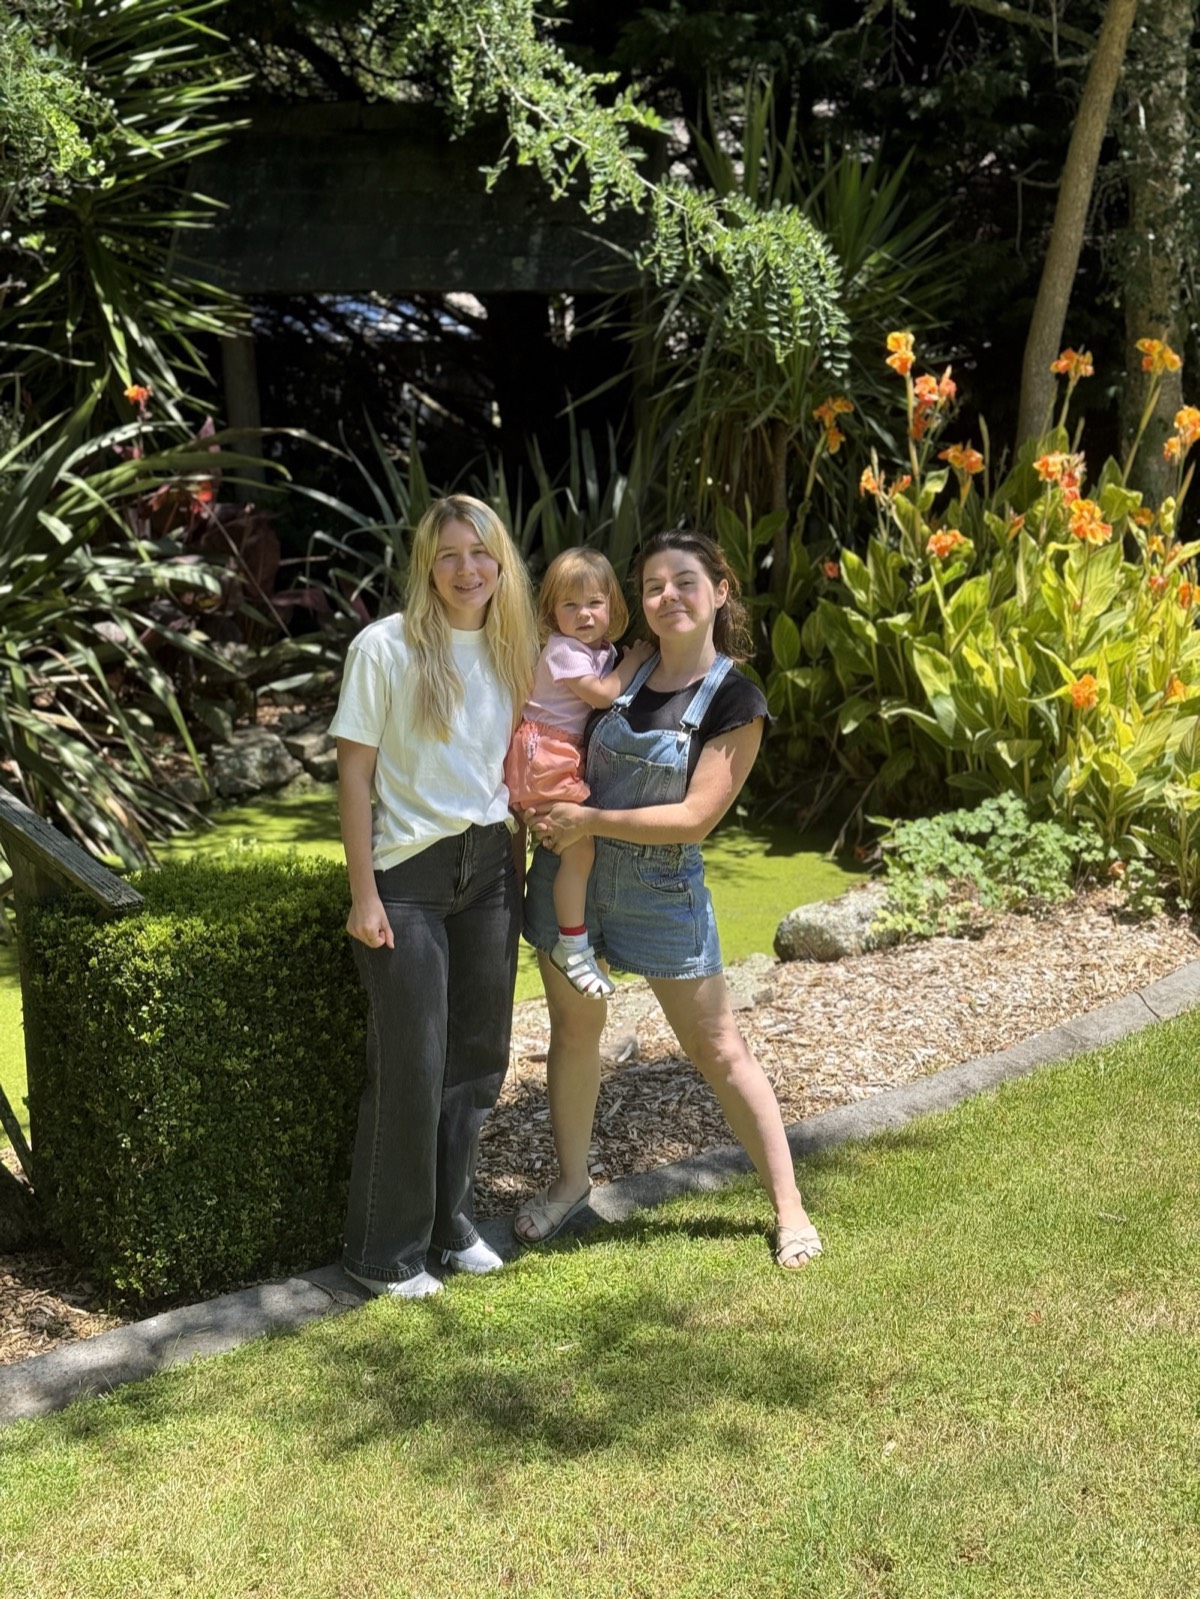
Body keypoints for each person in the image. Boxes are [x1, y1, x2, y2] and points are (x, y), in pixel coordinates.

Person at [514, 529, 822, 1270]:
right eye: (654, 586)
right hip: (571, 882)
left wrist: (587, 819)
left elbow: (694, 817)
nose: (669, 596)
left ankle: (790, 1207)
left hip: (660, 894)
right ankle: (569, 1184)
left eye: (685, 581)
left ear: (720, 590)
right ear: (639, 604)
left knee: (718, 1048)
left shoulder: (735, 699)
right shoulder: (621, 664)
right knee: (575, 1033)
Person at [329, 493, 539, 1298]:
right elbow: (354, 773)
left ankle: (452, 1228)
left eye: (480, 553)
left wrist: (515, 880)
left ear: (499, 562)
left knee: (476, 1060)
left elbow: (508, 776)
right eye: (449, 554)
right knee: (412, 1066)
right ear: (427, 563)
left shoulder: (509, 648)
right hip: (407, 880)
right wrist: (364, 894)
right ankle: (386, 1255)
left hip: (488, 872)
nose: (466, 569)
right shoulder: (383, 649)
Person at [503, 548, 654, 1000]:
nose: (583, 614)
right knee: (579, 849)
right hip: (545, 754)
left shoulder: (596, 649)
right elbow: (603, 695)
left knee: (573, 847)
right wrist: (635, 660)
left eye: (594, 603)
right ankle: (573, 944)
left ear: (612, 606)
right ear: (552, 612)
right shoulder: (564, 650)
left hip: (551, 755)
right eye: (570, 605)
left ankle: (572, 939)